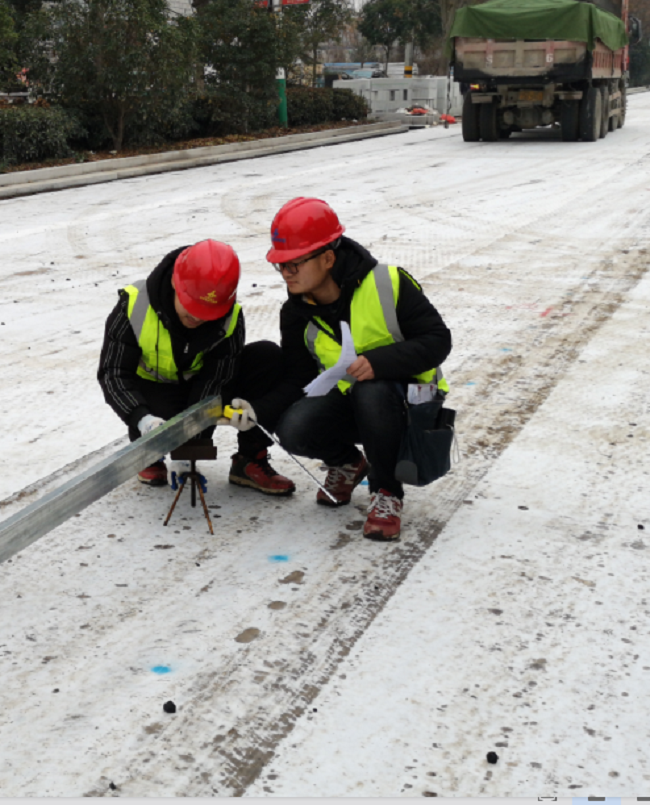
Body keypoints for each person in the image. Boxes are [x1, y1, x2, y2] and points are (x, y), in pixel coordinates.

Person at [266, 197, 452, 541]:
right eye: (280, 265)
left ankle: (386, 492)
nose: (286, 273)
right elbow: (298, 379)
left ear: (328, 258)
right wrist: (259, 409)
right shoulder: (295, 313)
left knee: (372, 390)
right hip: (353, 401)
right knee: (293, 427)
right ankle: (349, 463)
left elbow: (438, 340)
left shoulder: (387, 283)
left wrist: (379, 363)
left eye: (294, 263)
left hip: (410, 406)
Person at [98, 238, 295, 495]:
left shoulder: (229, 318)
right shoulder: (135, 305)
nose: (198, 318)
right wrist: (142, 419)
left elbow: (216, 381)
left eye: (207, 312)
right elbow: (113, 373)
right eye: (192, 308)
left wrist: (189, 451)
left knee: (266, 357)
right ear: (175, 283)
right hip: (155, 395)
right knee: (154, 414)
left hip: (199, 390)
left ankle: (249, 460)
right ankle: (149, 451)